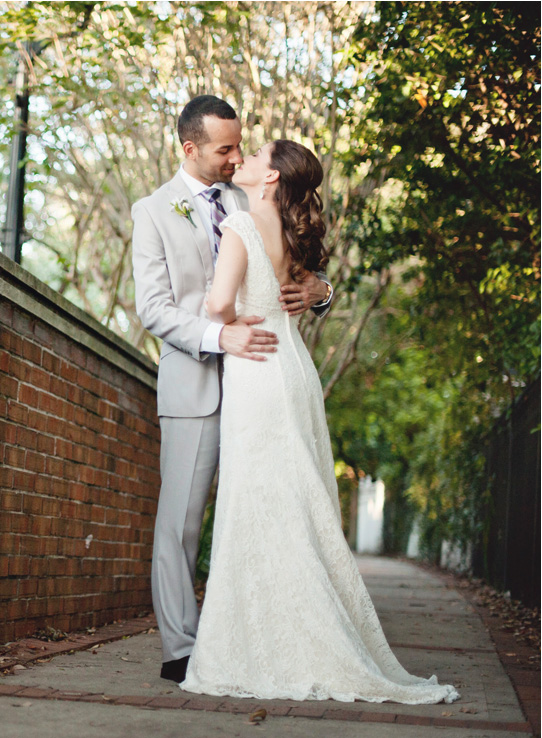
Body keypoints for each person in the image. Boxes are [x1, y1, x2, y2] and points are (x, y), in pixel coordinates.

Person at [179, 139, 458, 704]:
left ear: (273, 175)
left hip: (256, 370)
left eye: (256, 152)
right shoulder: (289, 229)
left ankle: (264, 645)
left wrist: (232, 318)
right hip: (294, 371)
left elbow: (216, 305)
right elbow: (313, 286)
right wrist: (315, 291)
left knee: (257, 504)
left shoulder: (240, 224)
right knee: (295, 503)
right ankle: (294, 636)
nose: (246, 158)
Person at [131, 95, 333, 684]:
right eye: (225, 148)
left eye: (241, 146)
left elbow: (296, 264)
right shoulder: (154, 211)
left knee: (267, 515)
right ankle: (183, 649)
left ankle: (262, 636)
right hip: (196, 383)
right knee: (182, 523)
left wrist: (322, 292)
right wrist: (222, 338)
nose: (236, 156)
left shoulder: (253, 198)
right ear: (189, 148)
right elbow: (154, 308)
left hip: (262, 387)